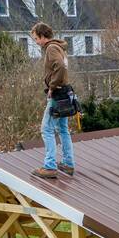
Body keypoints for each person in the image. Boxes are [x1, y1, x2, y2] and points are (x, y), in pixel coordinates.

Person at [30, 22, 75, 180]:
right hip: (65, 92)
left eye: (36, 38)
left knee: (46, 129)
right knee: (63, 129)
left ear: (43, 36)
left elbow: (61, 67)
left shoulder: (51, 48)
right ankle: (68, 164)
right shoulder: (59, 47)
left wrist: (52, 87)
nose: (36, 42)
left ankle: (49, 167)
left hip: (57, 93)